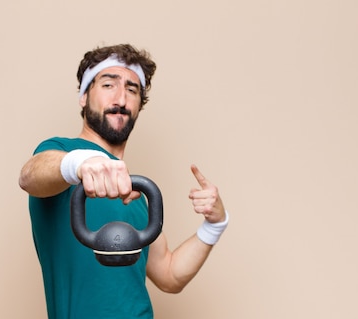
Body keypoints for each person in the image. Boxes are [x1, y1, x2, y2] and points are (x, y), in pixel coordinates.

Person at [18, 43, 229, 319]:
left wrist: (215, 225)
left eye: (132, 90)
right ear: (83, 96)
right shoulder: (61, 154)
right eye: (108, 85)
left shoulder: (135, 195)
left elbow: (169, 275)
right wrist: (79, 164)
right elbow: (30, 176)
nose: (121, 98)